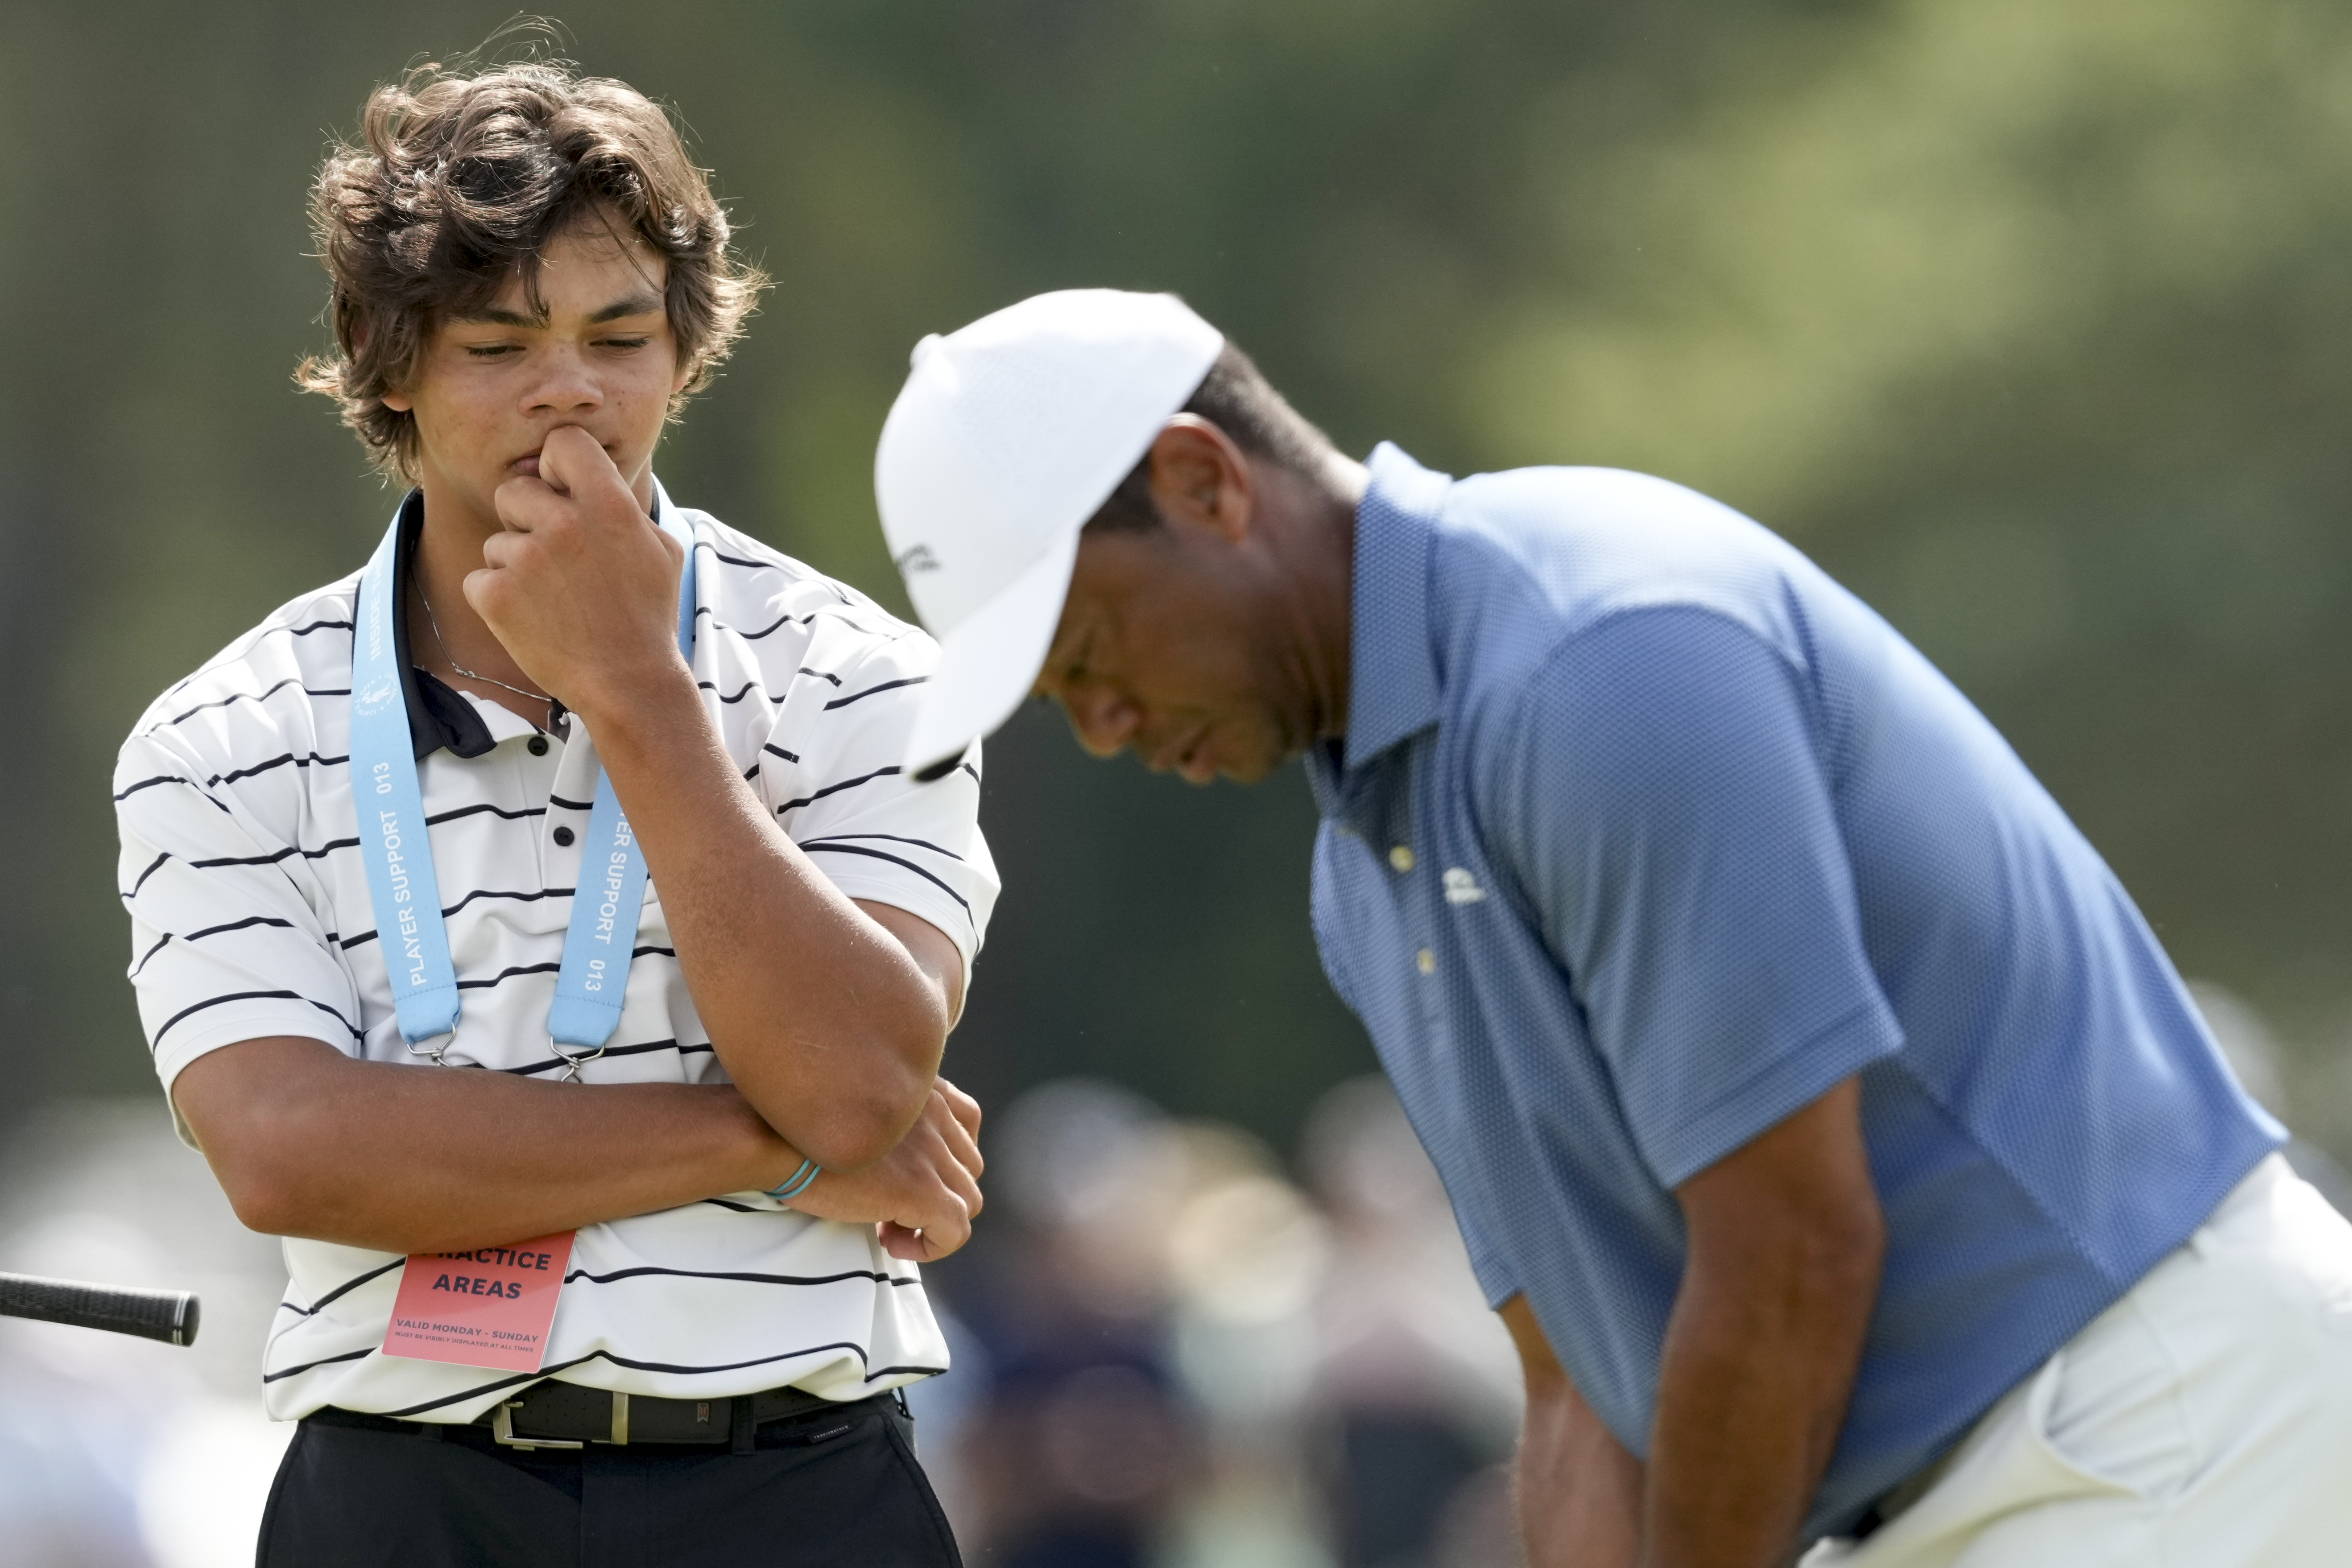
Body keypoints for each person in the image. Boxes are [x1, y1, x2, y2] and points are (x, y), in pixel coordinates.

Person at [864, 288, 2352, 1567]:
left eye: (1090, 651)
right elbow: (1582, 1382)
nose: (1104, 724)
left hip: (2160, 1411)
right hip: (1974, 1487)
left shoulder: (1597, 657)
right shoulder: (1364, 863)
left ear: (1203, 483)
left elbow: (1789, 1249)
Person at [113, 58, 992, 1565]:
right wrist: (766, 1143)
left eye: (619, 335)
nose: (569, 387)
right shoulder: (222, 733)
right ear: (385, 360)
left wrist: (641, 695)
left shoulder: (863, 673)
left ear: (683, 352)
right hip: (401, 1493)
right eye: (498, 342)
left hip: (794, 1483)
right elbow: (289, 1151)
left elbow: (856, 1086)